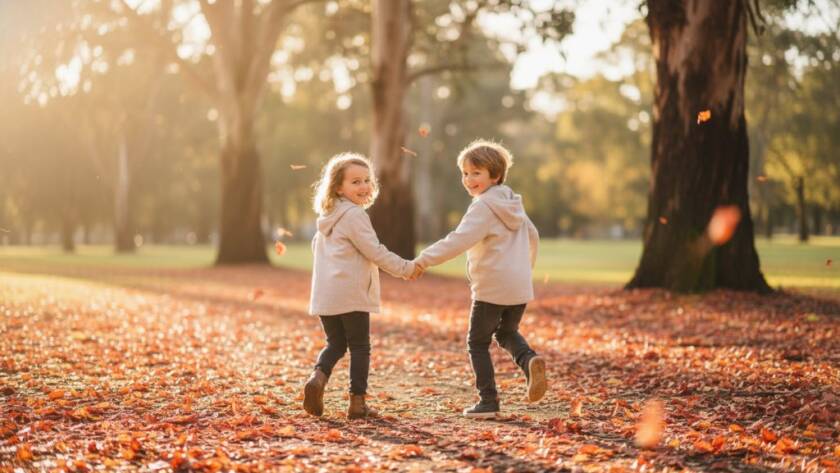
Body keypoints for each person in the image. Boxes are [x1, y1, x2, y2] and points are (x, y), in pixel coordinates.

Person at [412, 139, 546, 418]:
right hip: (518, 286)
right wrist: (524, 270)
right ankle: (529, 359)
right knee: (506, 333)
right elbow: (532, 236)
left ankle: (488, 401)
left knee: (477, 343)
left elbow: (458, 240)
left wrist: (423, 259)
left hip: (492, 287)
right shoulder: (513, 202)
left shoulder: (483, 206)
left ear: (495, 175)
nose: (468, 179)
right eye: (465, 173)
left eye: (476, 173)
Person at [303, 152, 416, 419]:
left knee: (335, 343)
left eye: (367, 180)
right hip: (351, 293)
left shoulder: (327, 217)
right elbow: (374, 251)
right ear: (338, 187)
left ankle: (318, 377)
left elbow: (318, 252)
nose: (364, 186)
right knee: (360, 347)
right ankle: (357, 404)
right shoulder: (354, 215)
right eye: (355, 182)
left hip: (326, 295)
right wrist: (406, 268)